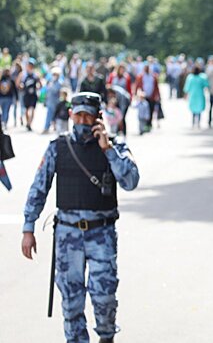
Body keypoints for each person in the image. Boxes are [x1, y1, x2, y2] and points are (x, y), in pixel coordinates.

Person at [21, 92, 139, 343]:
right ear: (72, 115)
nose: (83, 121)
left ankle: (106, 336)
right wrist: (28, 227)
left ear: (98, 117)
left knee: (104, 297)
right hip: (67, 235)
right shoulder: (58, 147)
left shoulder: (115, 146)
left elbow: (130, 181)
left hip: (101, 233)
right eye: (79, 115)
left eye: (88, 115)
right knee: (72, 301)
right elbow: (38, 188)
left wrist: (107, 150)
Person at [135, 64, 160, 129]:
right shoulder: (141, 76)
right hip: (143, 96)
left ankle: (149, 124)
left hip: (152, 96)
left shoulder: (154, 76)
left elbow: (156, 87)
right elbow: (137, 86)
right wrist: (136, 94)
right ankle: (143, 124)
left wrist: (158, 95)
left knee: (151, 110)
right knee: (143, 111)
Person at [19, 58, 41, 131]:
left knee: (32, 109)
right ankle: (28, 123)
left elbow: (40, 84)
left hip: (33, 95)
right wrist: (21, 85)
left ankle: (29, 124)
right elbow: (20, 83)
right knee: (26, 110)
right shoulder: (24, 74)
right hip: (26, 95)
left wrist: (38, 86)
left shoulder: (35, 74)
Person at [43, 67, 63, 134]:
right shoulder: (50, 82)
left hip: (56, 102)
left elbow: (55, 91)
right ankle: (46, 128)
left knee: (55, 116)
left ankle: (55, 128)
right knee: (49, 115)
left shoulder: (59, 83)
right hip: (50, 101)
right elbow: (47, 91)